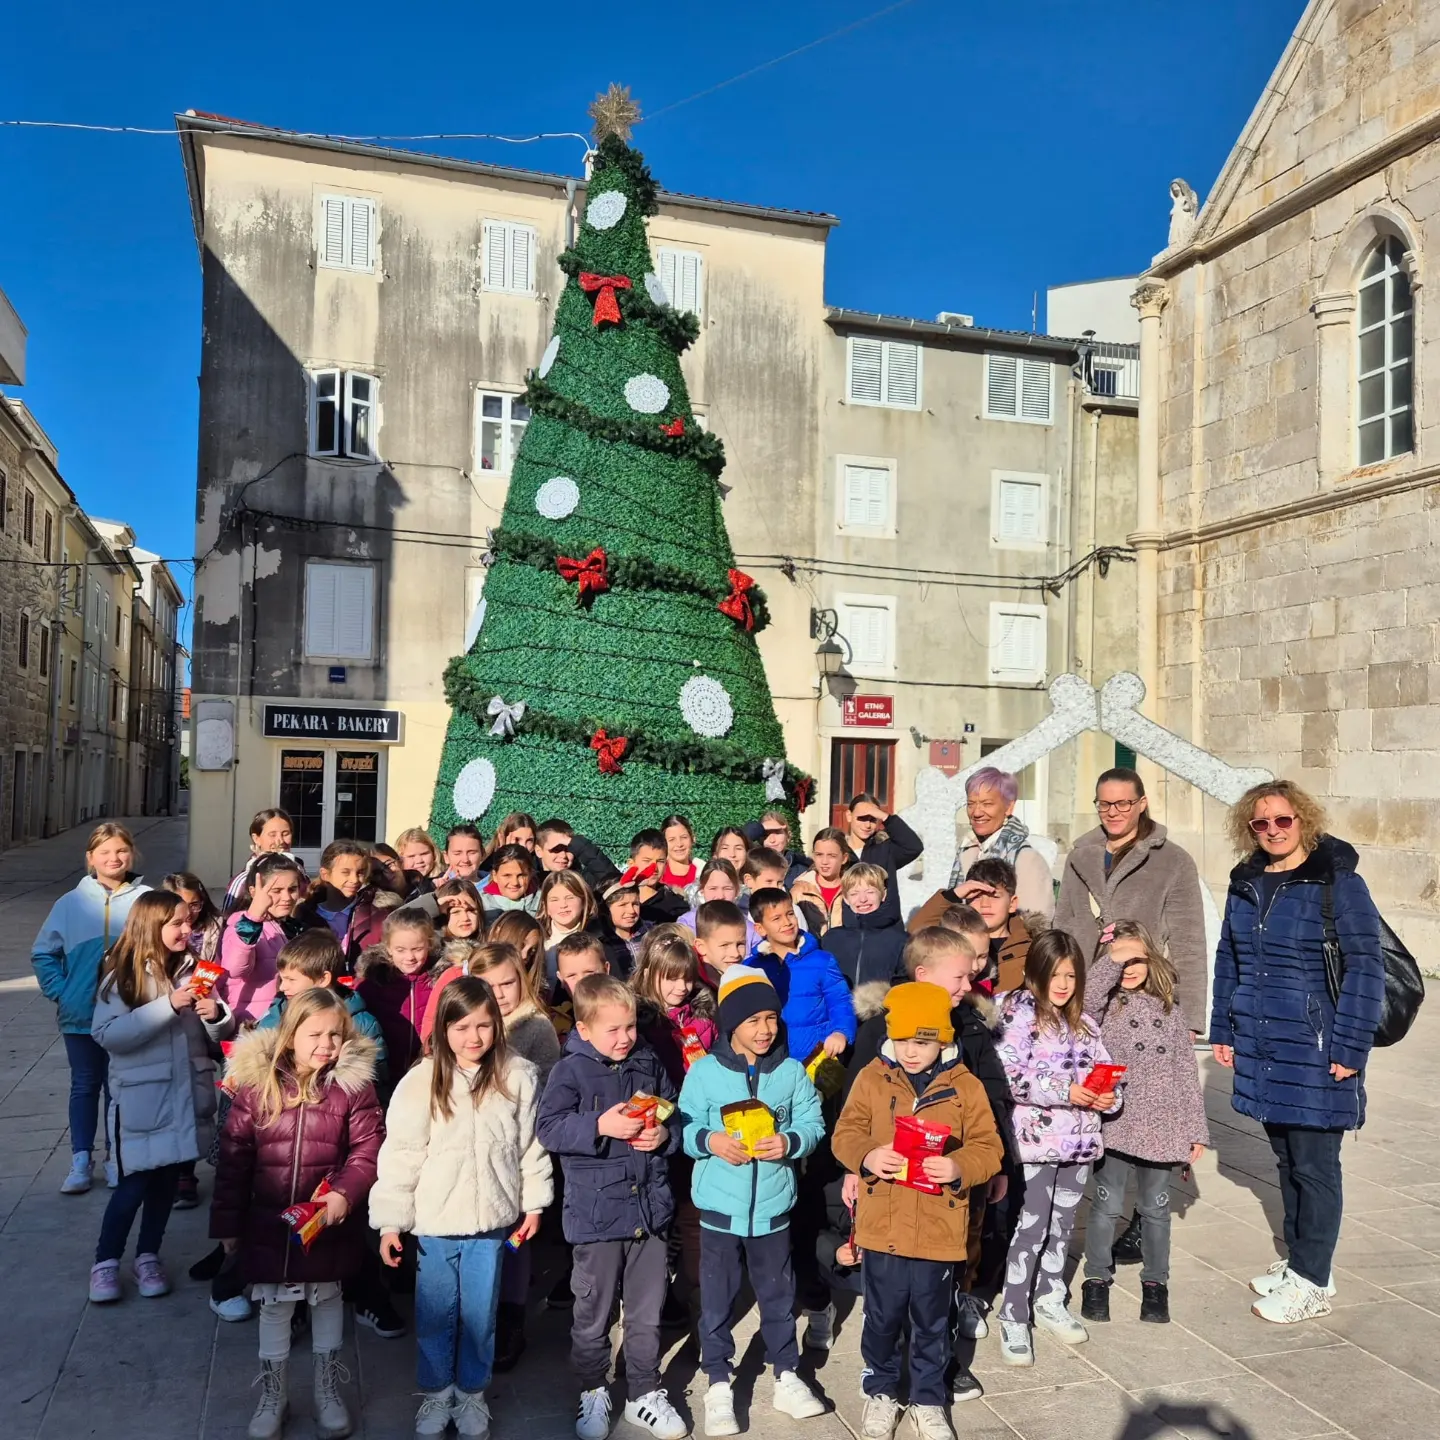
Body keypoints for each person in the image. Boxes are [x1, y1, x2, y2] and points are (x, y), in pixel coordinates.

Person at [1210, 780, 1384, 1326]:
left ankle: (1312, 1282)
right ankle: (1305, 1264)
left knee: (1315, 1166)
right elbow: (1228, 959)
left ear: (1303, 820)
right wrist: (1224, 1028)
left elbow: (1366, 969)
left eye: (1282, 820)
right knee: (1286, 1161)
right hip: (1263, 1043)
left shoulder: (1339, 883)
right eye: (1261, 823)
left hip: (1316, 1047)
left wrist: (1351, 1046)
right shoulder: (1246, 882)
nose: (1273, 830)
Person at [370, 978, 553, 1438]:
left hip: (492, 1222)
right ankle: (436, 1393)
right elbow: (401, 1154)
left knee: (480, 1313)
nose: (474, 1037)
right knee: (436, 1313)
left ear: (497, 1026)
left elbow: (530, 1147)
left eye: (484, 1026)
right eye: (462, 1027)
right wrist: (391, 1222)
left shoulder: (518, 1076)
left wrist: (533, 1204)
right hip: (434, 1223)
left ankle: (472, 1393)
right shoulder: (421, 1081)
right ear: (443, 1029)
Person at [832, 982, 1004, 1440]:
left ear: (942, 1040)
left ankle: (929, 1398)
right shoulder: (872, 1077)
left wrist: (958, 1166)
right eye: (904, 1039)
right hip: (882, 1227)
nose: (911, 1051)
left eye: (923, 1042)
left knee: (932, 1321)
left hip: (938, 1230)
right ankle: (880, 1390)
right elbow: (845, 1133)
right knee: (882, 1317)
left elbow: (989, 1147)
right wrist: (867, 1155)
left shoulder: (964, 1086)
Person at [212, 989, 383, 1440]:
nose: (326, 1044)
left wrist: (344, 1194)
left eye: (335, 1034)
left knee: (327, 1302)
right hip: (269, 1225)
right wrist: (228, 1223)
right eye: (314, 1034)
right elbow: (234, 1158)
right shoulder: (259, 1085)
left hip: (325, 1223)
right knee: (274, 1309)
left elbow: (368, 1148)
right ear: (290, 1035)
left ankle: (327, 1390)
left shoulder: (353, 1087)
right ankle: (274, 1394)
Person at [678, 966, 828, 1435]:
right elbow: (684, 1125)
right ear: (731, 1024)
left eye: (771, 1018)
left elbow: (813, 1122)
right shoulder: (704, 1072)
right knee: (717, 1300)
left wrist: (789, 1142)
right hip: (719, 1212)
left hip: (773, 1210)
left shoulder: (791, 1072)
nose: (765, 1029)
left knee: (778, 1297)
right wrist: (710, 1141)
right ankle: (718, 1382)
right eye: (753, 1021)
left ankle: (787, 1374)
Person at [538, 975, 687, 1440]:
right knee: (594, 1311)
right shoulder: (570, 1071)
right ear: (584, 1030)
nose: (625, 1038)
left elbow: (673, 1111)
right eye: (613, 1030)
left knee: (647, 1309)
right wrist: (598, 1125)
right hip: (597, 1216)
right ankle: (592, 1388)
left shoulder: (647, 1060)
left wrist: (665, 1135)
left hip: (650, 1212)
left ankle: (643, 1391)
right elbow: (549, 1128)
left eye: (630, 1027)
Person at [88, 890, 233, 1302]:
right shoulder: (123, 976)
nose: (187, 930)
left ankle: (148, 1255)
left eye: (189, 922)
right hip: (142, 1102)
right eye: (176, 923)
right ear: (151, 926)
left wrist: (217, 1016)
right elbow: (107, 1035)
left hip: (183, 1098)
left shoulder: (195, 971)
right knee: (131, 1187)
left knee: (165, 1186)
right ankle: (105, 1262)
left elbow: (220, 1033)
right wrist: (166, 1005)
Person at [994, 930, 1118, 1366]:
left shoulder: (1085, 1024)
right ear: (1036, 972)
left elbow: (1106, 1072)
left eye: (1071, 975)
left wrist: (1108, 1097)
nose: (1062, 984)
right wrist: (1066, 1090)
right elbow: (1010, 1077)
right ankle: (1013, 1312)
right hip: (1036, 1144)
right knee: (1031, 1228)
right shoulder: (1017, 1014)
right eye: (1054, 974)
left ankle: (1049, 1297)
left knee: (1063, 1227)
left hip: (1079, 1145)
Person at [1080, 920, 1209, 1327]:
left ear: (1152, 958)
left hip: (1164, 1124)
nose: (1129, 968)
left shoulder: (1170, 1009)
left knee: (1155, 1208)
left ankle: (1156, 1284)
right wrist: (1112, 959)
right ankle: (1096, 1280)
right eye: (1120, 959)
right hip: (1117, 1119)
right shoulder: (1103, 1006)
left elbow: (1186, 1071)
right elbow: (1087, 995)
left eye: (1136, 959)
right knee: (1106, 1205)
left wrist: (1195, 1128)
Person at [33, 822, 151, 1196]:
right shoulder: (69, 904)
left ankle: (117, 1157)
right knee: (84, 1085)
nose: (114, 858)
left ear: (132, 853)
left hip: (127, 1015)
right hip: (80, 1014)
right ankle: (80, 1159)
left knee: (119, 1089)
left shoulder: (146, 900)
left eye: (121, 850)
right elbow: (43, 953)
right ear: (90, 858)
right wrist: (63, 992)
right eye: (105, 852)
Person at [1053, 767, 1209, 1036]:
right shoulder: (1079, 857)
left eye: (1123, 803)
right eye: (1104, 804)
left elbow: (1189, 944)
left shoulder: (1173, 861)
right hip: (1082, 995)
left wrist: (1190, 1019)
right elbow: (1063, 926)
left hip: (1143, 999)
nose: (1112, 812)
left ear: (1142, 804)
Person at [256, 929, 389, 1093]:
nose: (282, 987)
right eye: (282, 979)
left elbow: (377, 1082)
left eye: (291, 979)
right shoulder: (278, 1014)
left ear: (323, 979)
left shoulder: (360, 1024)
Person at [748, 888, 855, 1066]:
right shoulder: (753, 967)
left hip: (816, 1058)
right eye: (776, 918)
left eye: (790, 914)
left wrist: (841, 1032)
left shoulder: (821, 961)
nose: (787, 922)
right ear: (760, 928)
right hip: (772, 1061)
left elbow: (840, 1001)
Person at [916, 858, 1037, 996]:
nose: (985, 904)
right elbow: (919, 932)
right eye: (977, 896)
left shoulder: (1031, 947)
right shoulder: (953, 939)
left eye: (994, 896)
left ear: (1012, 903)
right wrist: (953, 895)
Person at [948, 767, 1054, 919]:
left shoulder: (1025, 857)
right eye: (971, 804)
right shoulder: (966, 849)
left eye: (987, 804)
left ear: (1009, 807)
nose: (976, 813)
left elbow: (1035, 921)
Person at [219, 853, 306, 1025]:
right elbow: (234, 969)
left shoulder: (294, 926)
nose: (287, 897)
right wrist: (253, 918)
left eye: (292, 889)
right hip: (254, 1024)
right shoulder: (240, 924)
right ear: (254, 892)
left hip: (286, 1019)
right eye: (276, 891)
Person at [357, 906, 441, 1078]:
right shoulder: (374, 982)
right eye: (400, 950)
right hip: (386, 1070)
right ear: (388, 947)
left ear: (429, 944)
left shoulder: (441, 979)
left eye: (417, 949)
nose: (409, 957)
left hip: (430, 1069)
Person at [294, 839, 388, 966]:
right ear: (325, 874)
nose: (355, 880)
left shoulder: (375, 914)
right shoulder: (305, 916)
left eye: (360, 872)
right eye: (345, 872)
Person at [818, 864, 908, 992]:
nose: (863, 899)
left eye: (870, 892)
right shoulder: (831, 939)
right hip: (839, 1004)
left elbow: (905, 983)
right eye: (854, 893)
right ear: (846, 898)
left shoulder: (900, 940)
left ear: (883, 894)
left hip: (881, 1003)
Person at [839, 793, 924, 917]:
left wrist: (885, 817)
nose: (867, 825)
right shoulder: (837, 852)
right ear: (849, 816)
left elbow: (914, 847)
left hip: (885, 925)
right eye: (862, 818)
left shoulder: (885, 849)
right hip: (847, 925)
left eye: (873, 819)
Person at [223, 809, 306, 917]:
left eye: (285, 834)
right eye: (272, 835)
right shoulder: (244, 880)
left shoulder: (298, 869)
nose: (280, 841)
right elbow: (228, 920)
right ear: (256, 838)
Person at [538, 871, 600, 987]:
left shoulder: (599, 939)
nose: (563, 905)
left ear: (584, 901)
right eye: (554, 900)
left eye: (570, 898)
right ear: (545, 906)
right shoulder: (538, 943)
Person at [788, 828, 851, 933]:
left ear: (844, 858)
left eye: (832, 856)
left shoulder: (852, 889)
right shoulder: (799, 891)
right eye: (819, 855)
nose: (824, 862)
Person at [598, 868, 654, 977]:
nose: (631, 911)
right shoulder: (601, 942)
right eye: (623, 905)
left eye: (635, 904)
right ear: (605, 908)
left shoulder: (651, 934)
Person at [166, 871, 224, 962]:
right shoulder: (158, 930)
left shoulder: (217, 930)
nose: (188, 912)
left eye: (194, 905)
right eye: (182, 906)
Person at [693, 900, 750, 988]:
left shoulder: (746, 977)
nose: (735, 954)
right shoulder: (691, 984)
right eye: (725, 945)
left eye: (740, 944)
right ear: (701, 947)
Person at [489, 910, 546, 990]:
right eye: (521, 945)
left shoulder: (536, 991)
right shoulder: (473, 976)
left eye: (532, 951)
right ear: (497, 934)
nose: (524, 956)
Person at [481, 845, 538, 915]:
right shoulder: (481, 906)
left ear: (530, 874)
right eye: (507, 875)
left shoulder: (542, 903)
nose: (515, 882)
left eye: (521, 875)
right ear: (495, 876)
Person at [396, 826, 444, 891]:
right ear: (400, 860)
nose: (419, 861)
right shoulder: (396, 888)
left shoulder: (444, 881)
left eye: (424, 854)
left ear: (434, 854)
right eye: (411, 856)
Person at [660, 814, 698, 892]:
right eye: (672, 839)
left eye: (684, 837)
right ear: (663, 843)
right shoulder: (658, 874)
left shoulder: (702, 872)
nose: (679, 844)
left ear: (692, 839)